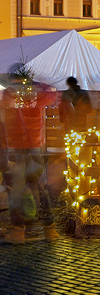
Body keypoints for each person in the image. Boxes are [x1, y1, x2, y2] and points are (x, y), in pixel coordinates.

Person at [0, 72, 59, 244]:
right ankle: (50, 230)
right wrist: (39, 83)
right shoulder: (37, 97)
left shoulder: (8, 97)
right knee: (41, 188)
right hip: (34, 149)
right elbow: (52, 94)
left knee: (16, 192)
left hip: (17, 150)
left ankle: (18, 233)